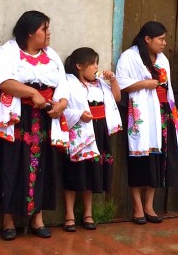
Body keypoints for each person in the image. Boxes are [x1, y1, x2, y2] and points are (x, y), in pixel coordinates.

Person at [0, 10, 68, 240]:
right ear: (30, 32)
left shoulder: (51, 55)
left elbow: (62, 84)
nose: (48, 33)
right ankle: (8, 220)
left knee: (43, 164)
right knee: (12, 163)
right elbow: (4, 81)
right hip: (18, 117)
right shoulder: (7, 52)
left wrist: (61, 103)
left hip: (45, 117)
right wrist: (32, 92)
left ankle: (37, 218)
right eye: (44, 29)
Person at [115, 21, 178, 224]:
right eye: (160, 39)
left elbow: (166, 87)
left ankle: (149, 205)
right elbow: (121, 82)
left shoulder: (162, 59)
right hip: (141, 115)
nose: (163, 43)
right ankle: (137, 207)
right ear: (147, 39)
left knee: (156, 158)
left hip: (162, 113)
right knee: (139, 160)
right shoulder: (129, 57)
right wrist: (145, 84)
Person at [61, 47, 122, 232]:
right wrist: (79, 114)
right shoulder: (68, 83)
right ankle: (69, 215)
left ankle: (88, 213)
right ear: (79, 65)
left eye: (97, 63)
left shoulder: (100, 84)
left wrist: (112, 80)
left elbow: (116, 98)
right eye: (92, 63)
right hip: (80, 130)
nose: (96, 67)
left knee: (92, 171)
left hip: (98, 130)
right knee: (74, 171)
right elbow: (63, 107)